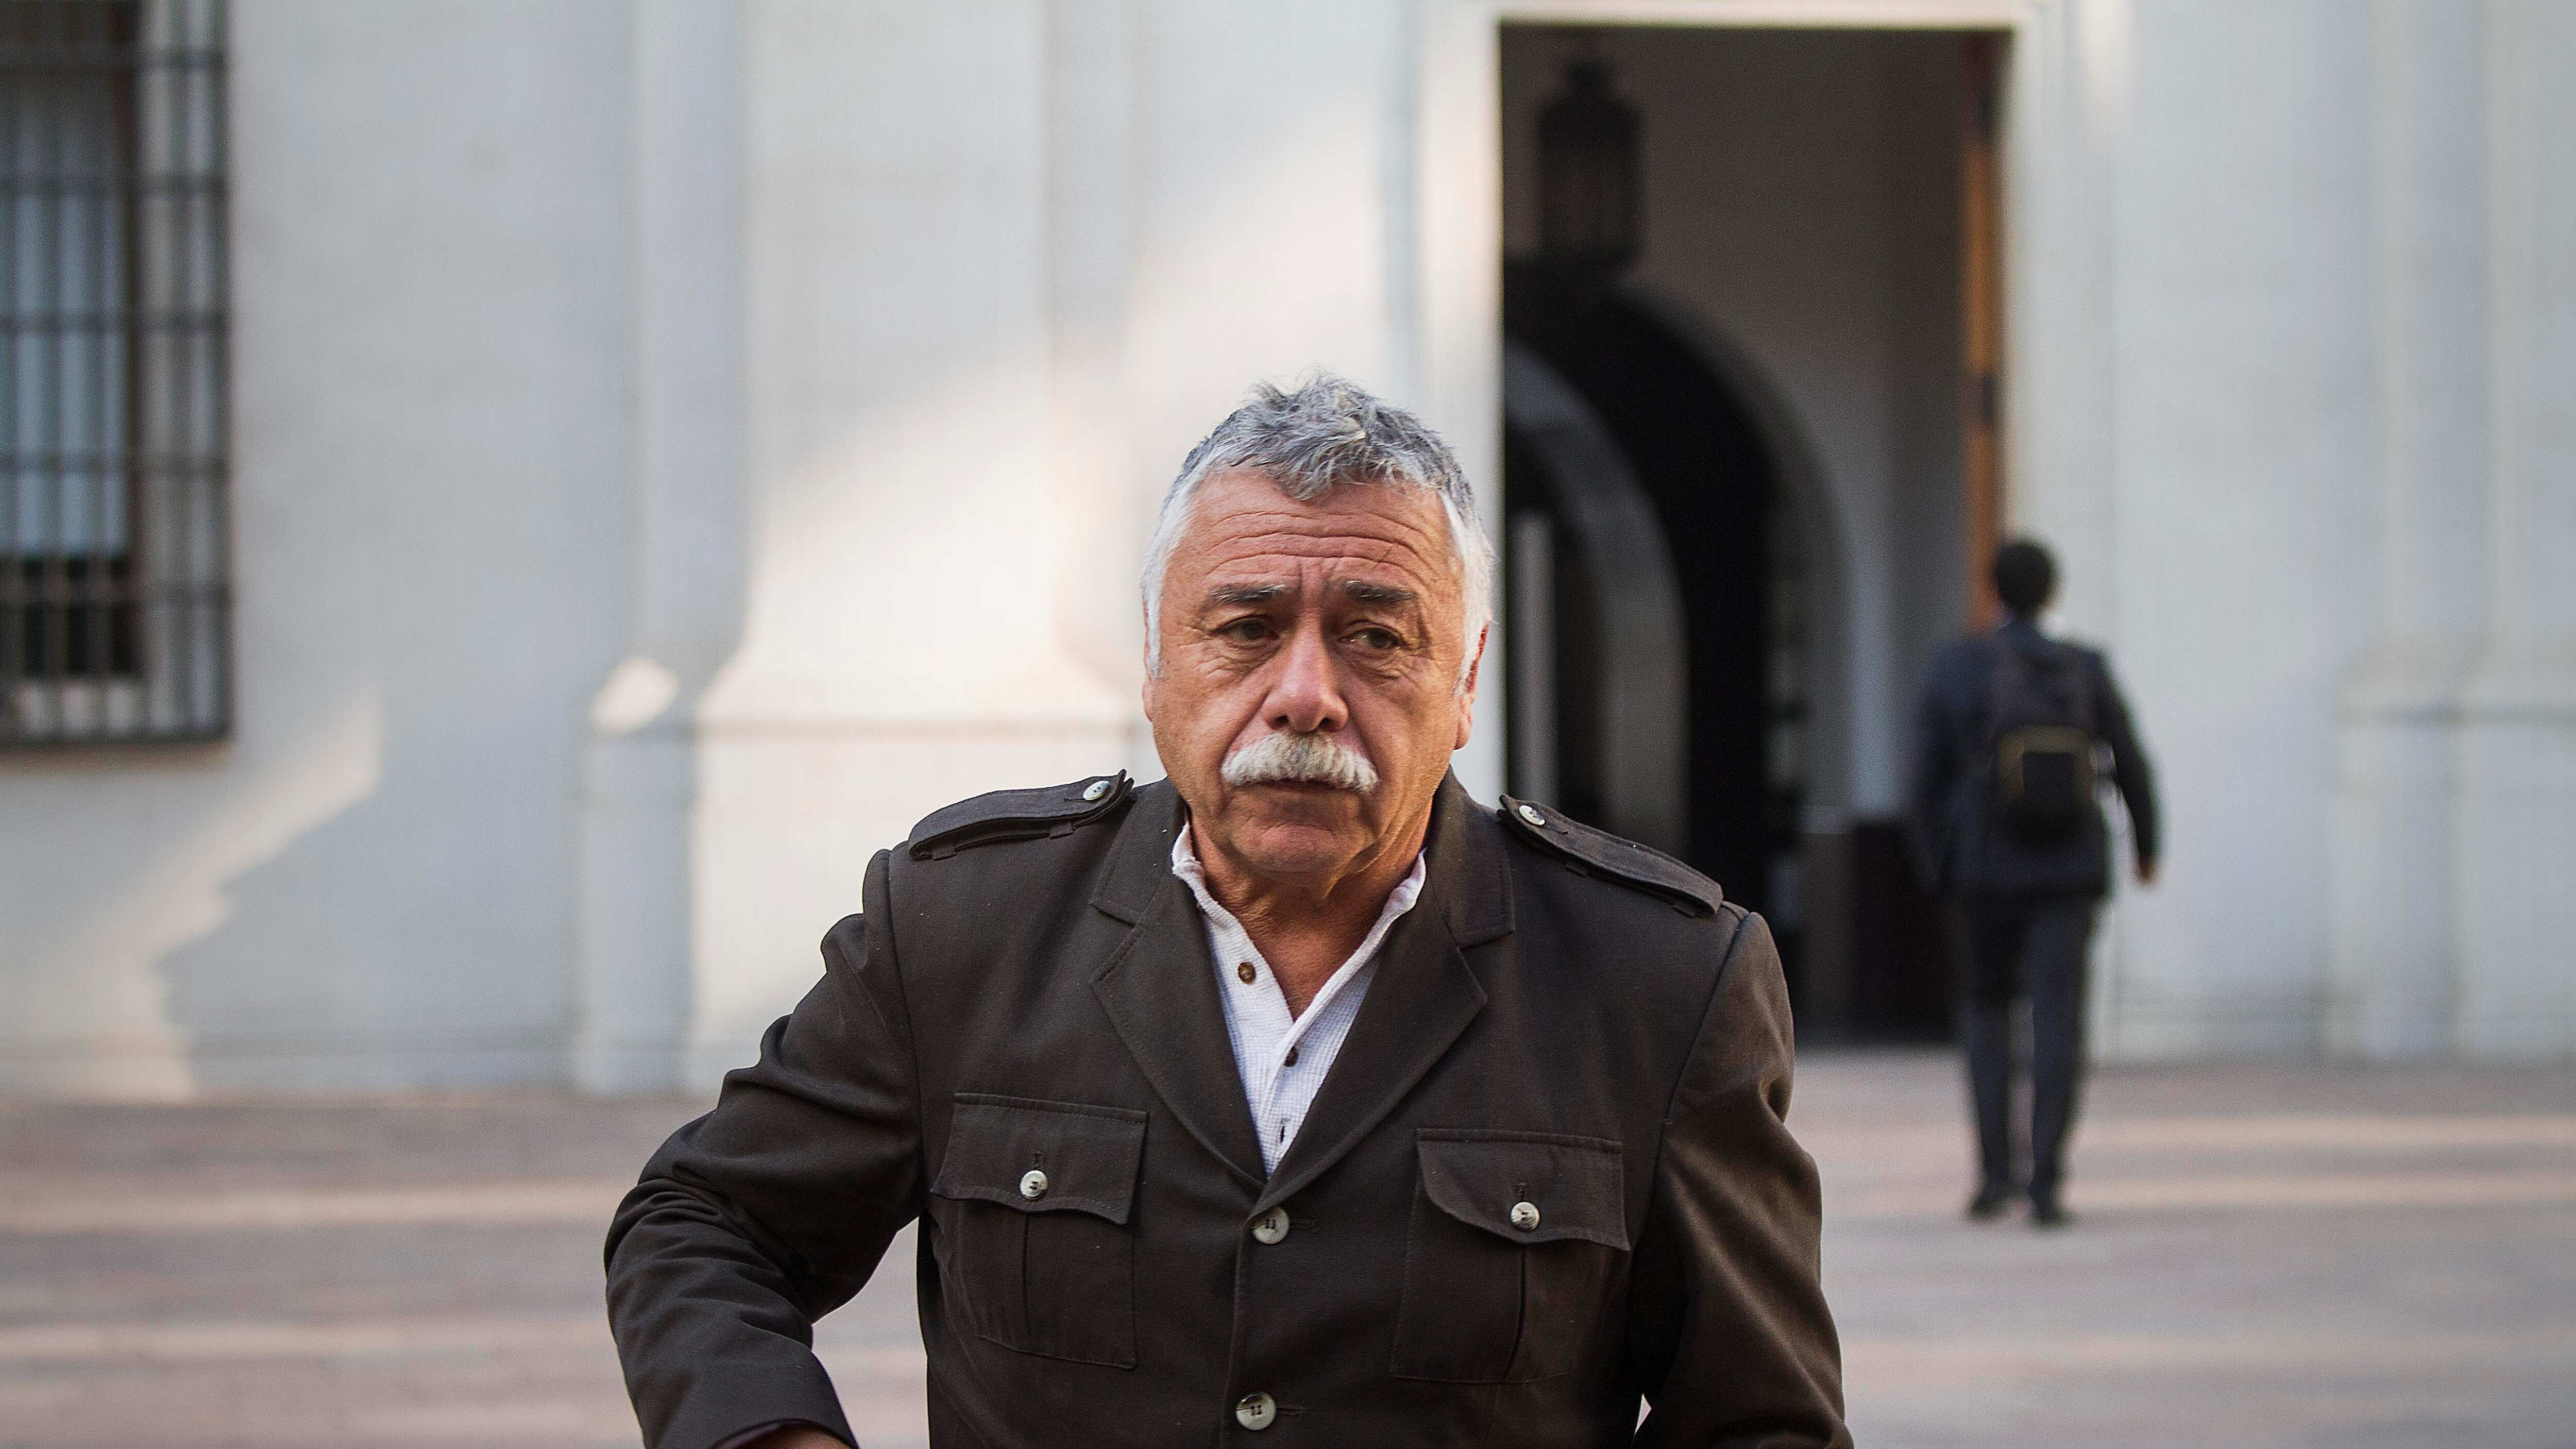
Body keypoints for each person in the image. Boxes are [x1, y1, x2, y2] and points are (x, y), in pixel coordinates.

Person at [604, 376, 1850, 1448]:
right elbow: (704, 1222)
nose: (1303, 693)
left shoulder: (1661, 982)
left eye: (1374, 635)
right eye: (1245, 629)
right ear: (1154, 663)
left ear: (1463, 680)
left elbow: (1757, 1420)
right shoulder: (962, 926)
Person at [1907, 538, 2160, 1229]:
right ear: (2051, 594)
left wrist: (1937, 867)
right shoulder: (2083, 667)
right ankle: (2047, 1183)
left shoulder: (1956, 666)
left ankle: (1995, 1178)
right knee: (2058, 1022)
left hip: (1985, 872)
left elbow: (1923, 779)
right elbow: (2131, 760)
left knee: (1987, 1016)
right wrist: (2147, 847)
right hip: (2070, 871)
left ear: (1992, 591)